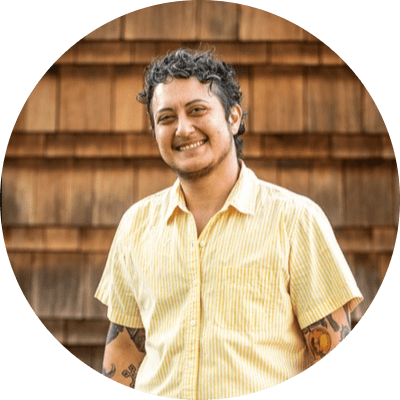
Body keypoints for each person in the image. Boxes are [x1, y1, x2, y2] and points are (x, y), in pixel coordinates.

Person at [95, 48, 363, 399]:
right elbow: (124, 350)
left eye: (197, 110)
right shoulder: (135, 226)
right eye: (166, 117)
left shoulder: (296, 221)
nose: (183, 128)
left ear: (233, 118)